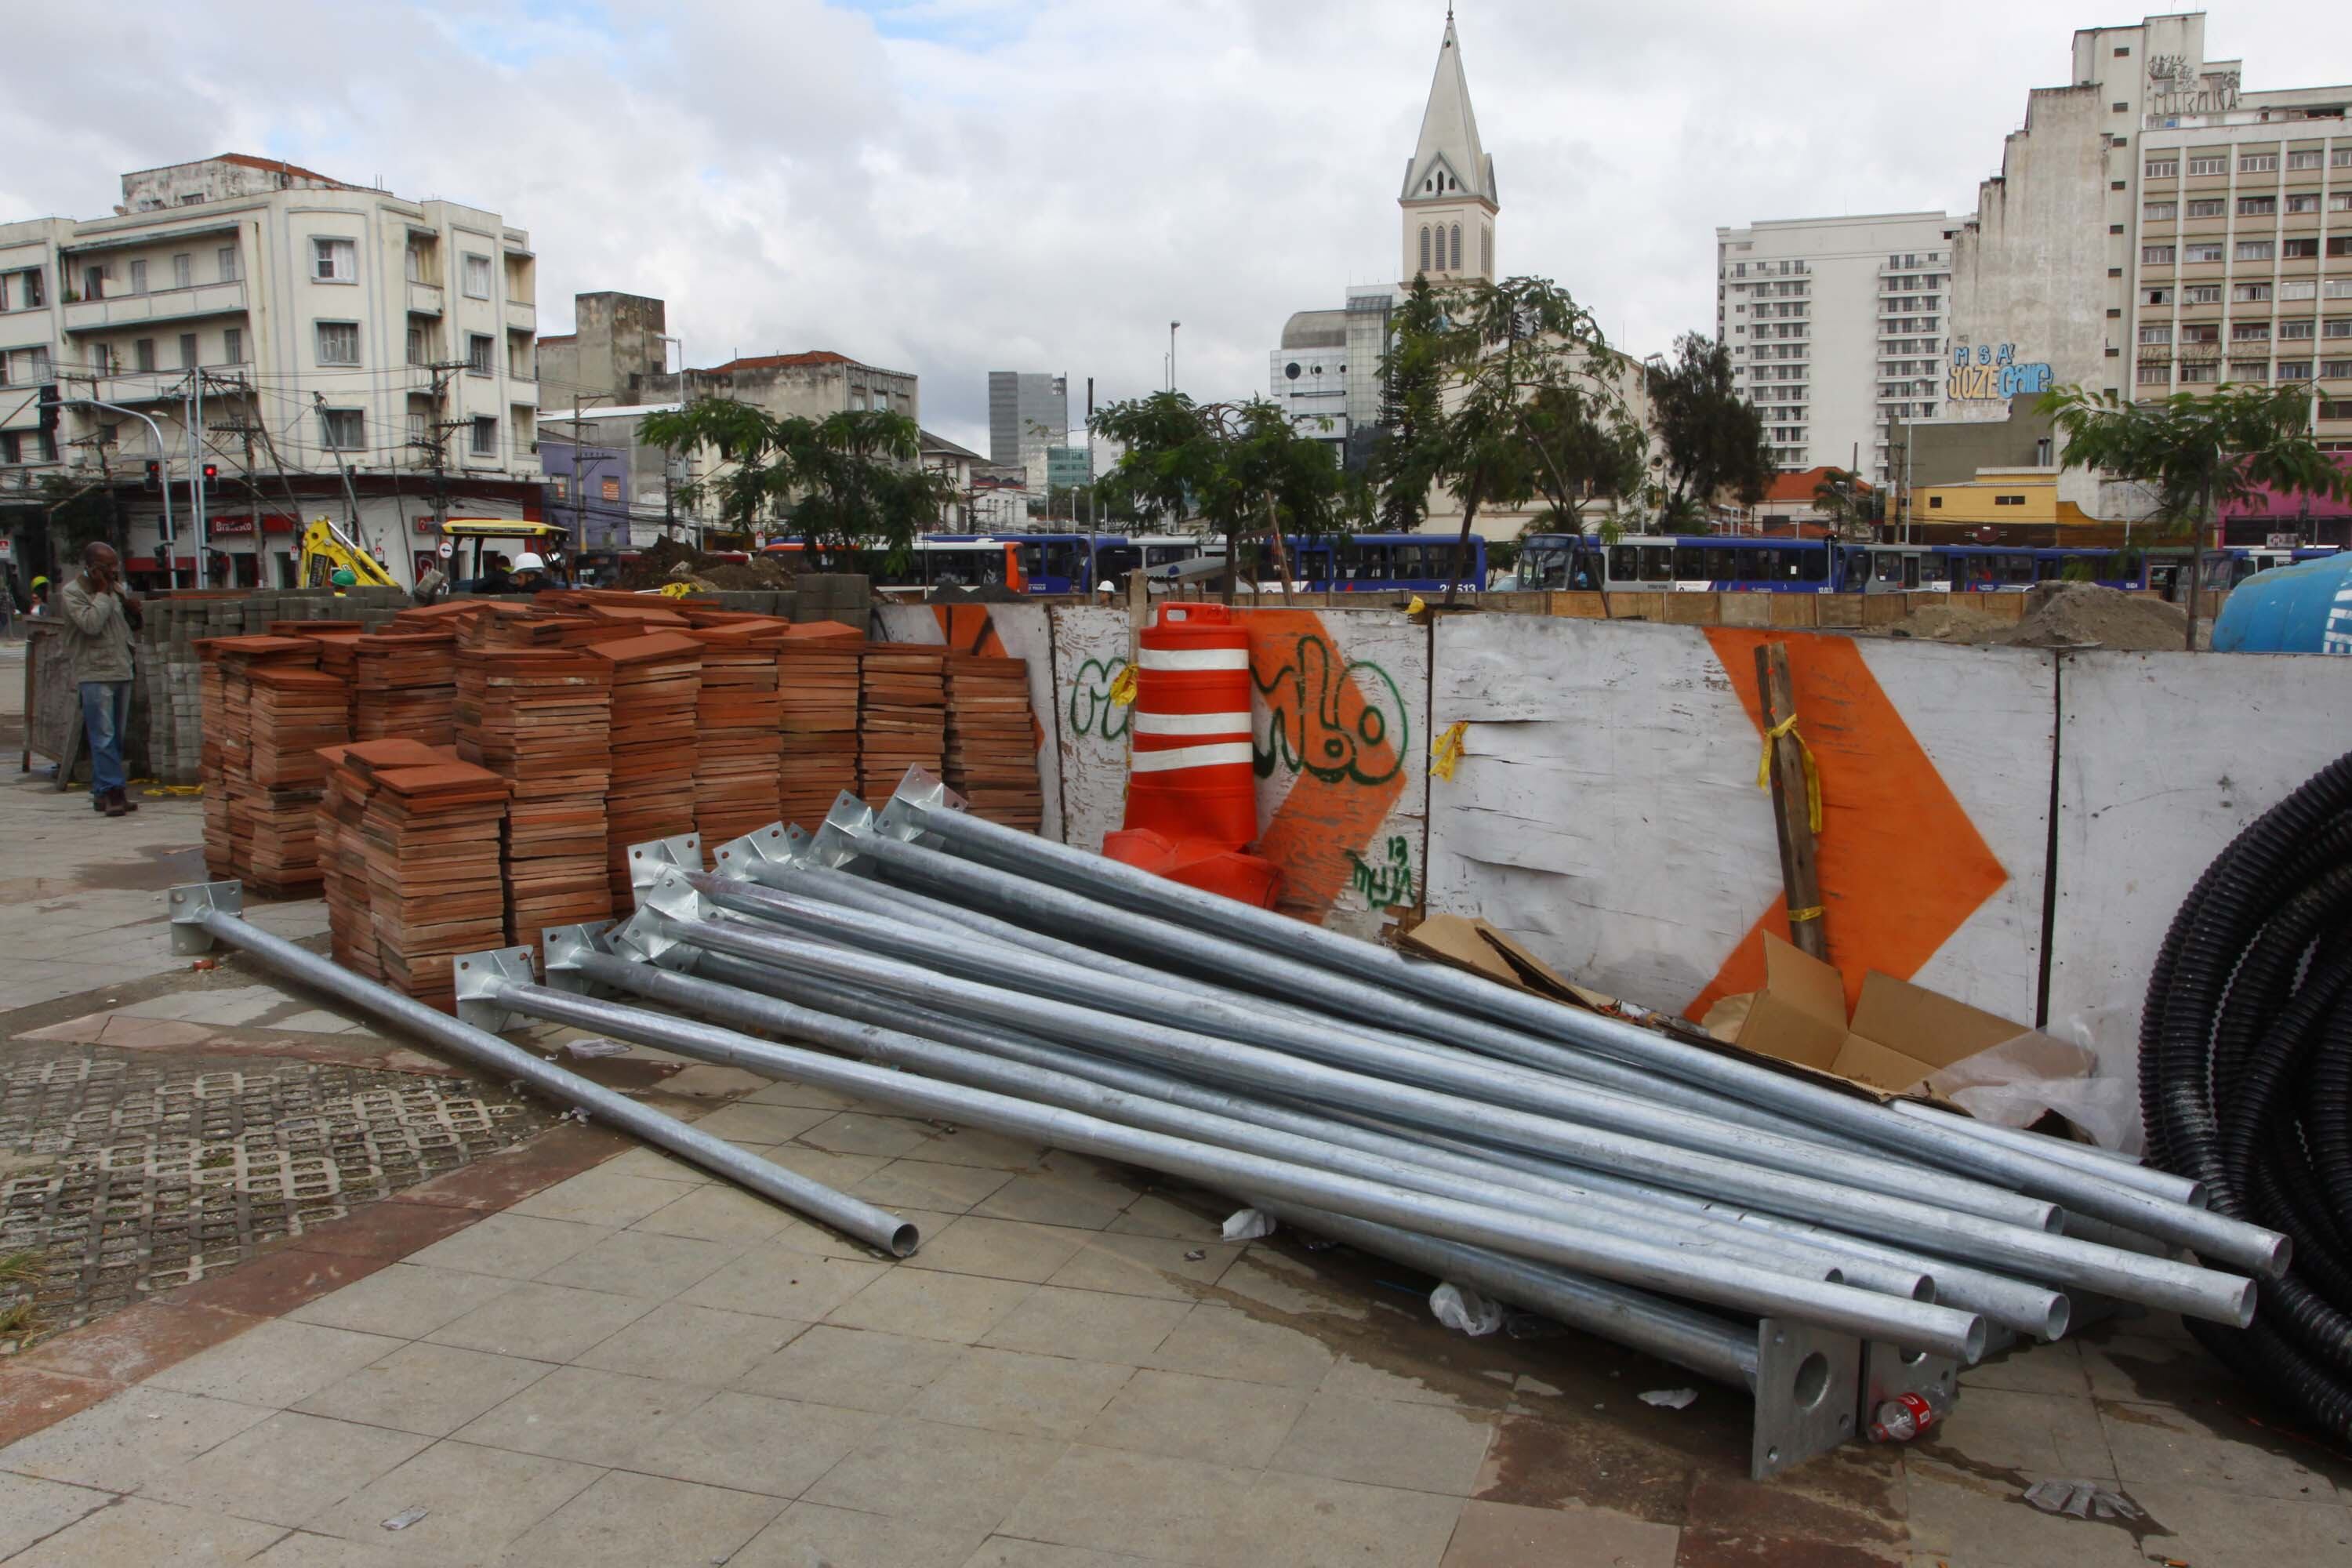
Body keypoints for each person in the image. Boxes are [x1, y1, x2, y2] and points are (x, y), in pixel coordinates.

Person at [60, 542, 141, 818]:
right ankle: (114, 791)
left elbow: (124, 626)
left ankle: (101, 791)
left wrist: (128, 604)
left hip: (120, 667)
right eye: (107, 566)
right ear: (93, 567)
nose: (113, 571)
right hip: (95, 672)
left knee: (115, 737)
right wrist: (102, 594)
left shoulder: (114, 588)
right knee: (103, 736)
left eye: (115, 565)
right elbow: (91, 625)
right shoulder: (74, 593)